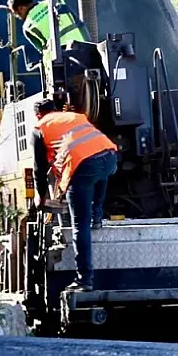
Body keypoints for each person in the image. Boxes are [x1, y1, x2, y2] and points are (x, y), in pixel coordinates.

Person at [32, 98, 119, 291]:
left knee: (80, 225)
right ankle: (97, 216)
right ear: (55, 110)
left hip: (83, 166)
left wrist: (41, 196)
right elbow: (90, 146)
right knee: (100, 172)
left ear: (38, 115)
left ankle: (84, 280)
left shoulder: (39, 128)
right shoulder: (75, 116)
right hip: (111, 156)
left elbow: (39, 169)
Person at [8, 0, 90, 66]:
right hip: (86, 46)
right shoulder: (56, 1)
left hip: (65, 59)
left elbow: (44, 51)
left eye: (16, 14)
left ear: (21, 8)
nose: (19, 17)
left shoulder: (28, 26)